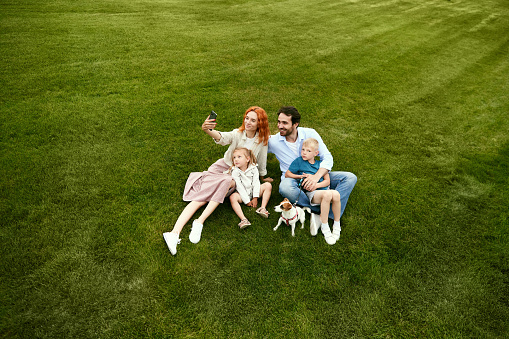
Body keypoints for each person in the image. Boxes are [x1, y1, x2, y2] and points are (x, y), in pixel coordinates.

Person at [163, 106, 271, 255]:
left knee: (227, 183)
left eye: (253, 120)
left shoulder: (261, 141)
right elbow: (222, 137)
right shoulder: (238, 134)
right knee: (201, 199)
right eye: (247, 118)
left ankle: (199, 221)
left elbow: (261, 160)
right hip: (222, 167)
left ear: (260, 123)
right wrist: (207, 130)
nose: (248, 122)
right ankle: (174, 233)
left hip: (234, 176)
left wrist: (263, 176)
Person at [267, 106, 357, 238]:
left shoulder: (310, 134)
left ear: (295, 124)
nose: (280, 126)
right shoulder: (274, 141)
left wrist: (316, 177)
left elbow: (327, 157)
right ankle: (317, 209)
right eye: (279, 122)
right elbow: (251, 146)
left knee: (350, 178)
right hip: (293, 180)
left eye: (285, 123)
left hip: (315, 174)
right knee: (284, 187)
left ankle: (325, 215)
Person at [285, 138, 341, 245]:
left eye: (308, 151)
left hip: (323, 189)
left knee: (336, 194)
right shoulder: (299, 161)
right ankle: (325, 226)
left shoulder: (320, 165)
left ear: (316, 153)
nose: (304, 153)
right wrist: (300, 176)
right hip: (313, 193)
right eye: (303, 150)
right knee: (328, 194)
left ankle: (337, 224)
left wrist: (316, 185)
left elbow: (327, 181)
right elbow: (288, 174)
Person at [228, 147, 272, 229]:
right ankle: (243, 219)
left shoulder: (254, 168)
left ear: (247, 159)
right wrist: (247, 201)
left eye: (239, 157)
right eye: (234, 157)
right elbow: (239, 187)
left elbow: (256, 182)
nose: (236, 159)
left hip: (254, 191)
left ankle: (262, 208)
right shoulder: (235, 171)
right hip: (242, 194)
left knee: (268, 185)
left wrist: (255, 197)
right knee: (232, 197)